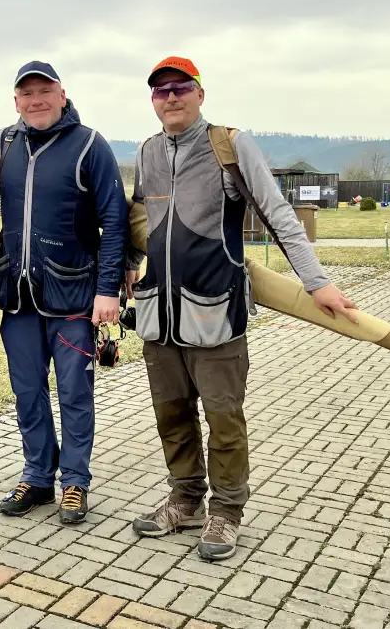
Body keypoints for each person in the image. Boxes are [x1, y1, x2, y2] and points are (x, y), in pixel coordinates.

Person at [126, 57, 358, 560]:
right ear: (153, 101)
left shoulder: (229, 144)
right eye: (161, 90)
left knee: (223, 417)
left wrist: (317, 282)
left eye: (181, 87)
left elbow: (277, 213)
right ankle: (185, 499)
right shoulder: (146, 151)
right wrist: (125, 269)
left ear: (200, 93)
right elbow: (138, 220)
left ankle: (227, 511)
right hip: (159, 315)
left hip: (216, 311)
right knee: (171, 414)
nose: (171, 97)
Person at [0, 61, 128, 524]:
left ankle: (75, 481)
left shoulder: (90, 145)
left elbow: (114, 221)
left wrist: (108, 291)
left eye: (45, 91)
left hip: (74, 297)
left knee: (74, 392)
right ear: (15, 101)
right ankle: (38, 476)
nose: (36, 100)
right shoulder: (2, 144)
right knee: (27, 392)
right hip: (17, 297)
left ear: (62, 95)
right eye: (27, 93)